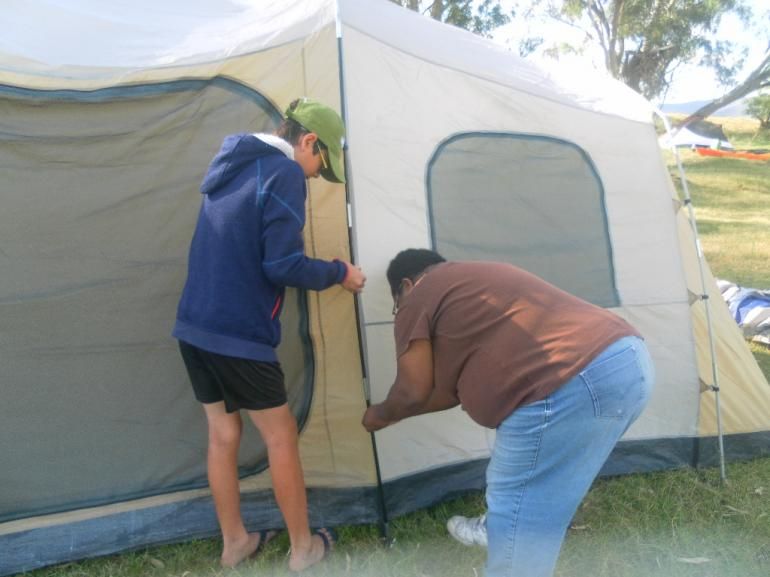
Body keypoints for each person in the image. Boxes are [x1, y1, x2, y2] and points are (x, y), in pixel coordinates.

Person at [362, 249, 654, 577]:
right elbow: (442, 394)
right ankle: (506, 523)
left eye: (396, 303)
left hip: (565, 384)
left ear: (406, 284)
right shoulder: (475, 280)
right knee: (546, 490)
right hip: (628, 362)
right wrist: (399, 413)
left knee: (520, 512)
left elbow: (411, 391)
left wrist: (380, 415)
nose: (400, 312)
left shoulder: (419, 295)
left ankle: (511, 528)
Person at [173, 98, 366, 570]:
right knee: (280, 438)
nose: (318, 175)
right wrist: (340, 271)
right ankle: (303, 548)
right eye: (322, 163)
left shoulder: (233, 167)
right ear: (307, 142)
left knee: (222, 434)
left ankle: (234, 542)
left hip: (195, 325)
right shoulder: (284, 174)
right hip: (239, 333)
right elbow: (281, 264)